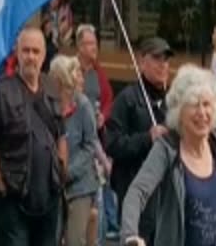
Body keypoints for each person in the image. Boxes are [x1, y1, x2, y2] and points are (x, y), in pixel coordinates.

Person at [120, 65, 216, 246]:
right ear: (178, 112)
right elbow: (136, 192)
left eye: (206, 104)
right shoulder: (167, 148)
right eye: (194, 105)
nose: (202, 113)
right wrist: (130, 235)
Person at [0, 27, 66, 246]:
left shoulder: (52, 89)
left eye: (36, 51)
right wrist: (0, 184)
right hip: (13, 202)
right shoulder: (0, 92)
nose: (31, 57)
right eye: (26, 50)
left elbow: (61, 136)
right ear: (16, 53)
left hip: (48, 200)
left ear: (44, 55)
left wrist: (62, 172)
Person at [104, 37, 172, 246]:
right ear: (142, 62)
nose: (163, 65)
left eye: (166, 59)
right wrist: (147, 138)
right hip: (136, 195)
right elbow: (112, 143)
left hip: (167, 197)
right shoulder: (127, 99)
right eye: (157, 58)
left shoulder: (174, 101)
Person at [48, 55, 104, 246]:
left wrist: (68, 171)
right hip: (53, 185)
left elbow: (90, 145)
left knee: (74, 240)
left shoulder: (83, 105)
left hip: (80, 185)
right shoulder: (48, 105)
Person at [75, 25, 116, 242]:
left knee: (101, 187)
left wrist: (104, 116)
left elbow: (108, 98)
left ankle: (107, 225)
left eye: (95, 44)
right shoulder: (73, 70)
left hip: (97, 138)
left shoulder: (98, 72)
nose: (94, 48)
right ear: (80, 47)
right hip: (77, 138)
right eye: (89, 44)